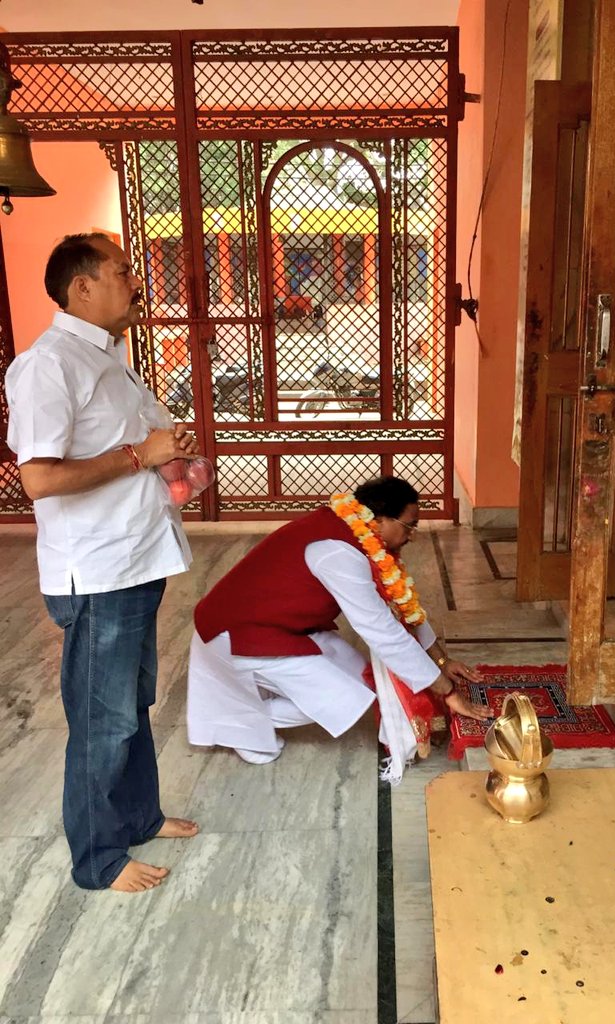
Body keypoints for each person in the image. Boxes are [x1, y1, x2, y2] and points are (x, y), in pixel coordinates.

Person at [6, 233, 200, 893]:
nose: (136, 282)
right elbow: (38, 479)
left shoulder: (109, 358)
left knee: (133, 704)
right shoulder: (48, 366)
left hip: (135, 560)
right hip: (95, 573)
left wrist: (169, 455)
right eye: (122, 271)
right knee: (102, 719)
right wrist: (139, 457)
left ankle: (140, 816)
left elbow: (143, 447)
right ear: (81, 287)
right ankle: (98, 860)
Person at [187, 476, 489, 773]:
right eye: (409, 526)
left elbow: (403, 607)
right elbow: (381, 631)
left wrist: (440, 659)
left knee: (364, 679)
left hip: (277, 625)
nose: (412, 535)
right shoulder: (339, 552)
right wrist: (447, 691)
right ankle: (239, 722)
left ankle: (241, 711)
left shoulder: (363, 536)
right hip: (236, 635)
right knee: (345, 699)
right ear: (380, 520)